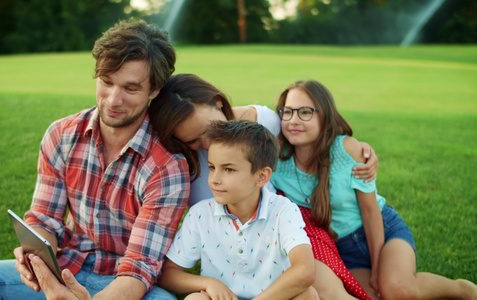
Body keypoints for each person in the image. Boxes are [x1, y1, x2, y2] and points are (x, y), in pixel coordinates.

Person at [0, 18, 189, 300]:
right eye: (106, 82)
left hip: (127, 285)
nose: (112, 99)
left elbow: (139, 267)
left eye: (130, 89)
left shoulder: (167, 165)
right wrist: (39, 266)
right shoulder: (61, 135)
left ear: (154, 90)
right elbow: (45, 221)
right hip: (64, 268)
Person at [149, 73, 376, 299]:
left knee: (323, 291)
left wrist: (357, 150)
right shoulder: (182, 167)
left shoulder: (263, 122)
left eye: (210, 128)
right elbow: (169, 272)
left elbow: (310, 135)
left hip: (277, 230)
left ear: (218, 103)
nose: (209, 143)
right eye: (193, 141)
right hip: (225, 245)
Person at [270, 79, 477, 300]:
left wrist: (378, 268)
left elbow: (370, 212)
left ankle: (463, 289)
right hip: (342, 249)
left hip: (382, 232)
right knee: (373, 296)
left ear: (325, 117)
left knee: (398, 290)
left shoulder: (347, 150)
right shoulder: (277, 161)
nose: (294, 121)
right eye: (288, 112)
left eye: (305, 112)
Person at [158, 120, 318, 300]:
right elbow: (167, 274)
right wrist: (209, 283)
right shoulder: (200, 215)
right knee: (196, 299)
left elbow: (305, 271)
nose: (215, 179)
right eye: (212, 167)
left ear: (261, 177)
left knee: (307, 295)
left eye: (229, 169)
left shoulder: (283, 211)